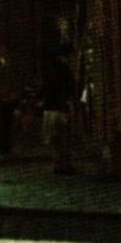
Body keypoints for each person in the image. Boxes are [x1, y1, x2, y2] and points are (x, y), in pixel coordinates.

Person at [40, 44, 77, 175]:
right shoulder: (63, 70)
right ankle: (65, 165)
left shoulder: (50, 68)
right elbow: (65, 89)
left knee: (56, 139)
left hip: (50, 108)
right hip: (60, 108)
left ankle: (59, 164)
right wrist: (65, 106)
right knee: (64, 138)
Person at [0, 48, 22, 157]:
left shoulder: (10, 64)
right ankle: (3, 147)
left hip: (8, 99)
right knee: (0, 124)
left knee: (8, 123)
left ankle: (7, 146)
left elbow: (14, 80)